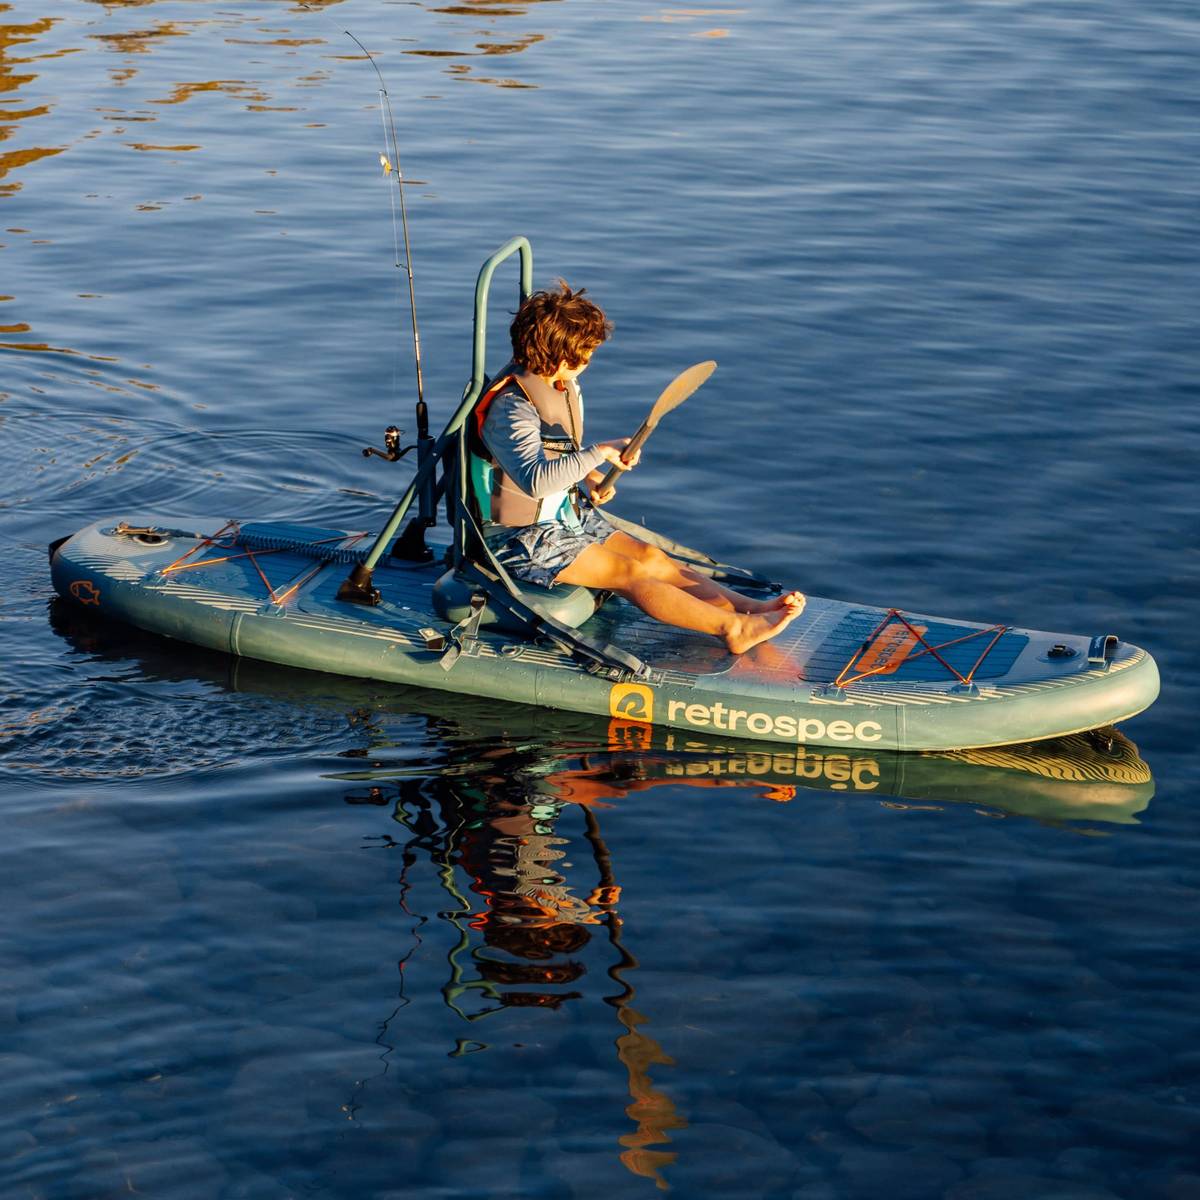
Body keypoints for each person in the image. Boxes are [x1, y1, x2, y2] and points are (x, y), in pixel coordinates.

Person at [476, 282, 805, 655]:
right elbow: (534, 481)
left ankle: (748, 608)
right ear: (557, 355)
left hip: (565, 515)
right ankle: (734, 628)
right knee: (629, 575)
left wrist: (590, 477)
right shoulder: (510, 409)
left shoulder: (560, 385)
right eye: (584, 354)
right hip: (520, 539)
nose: (588, 360)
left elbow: (558, 451)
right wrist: (599, 452)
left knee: (651, 558)